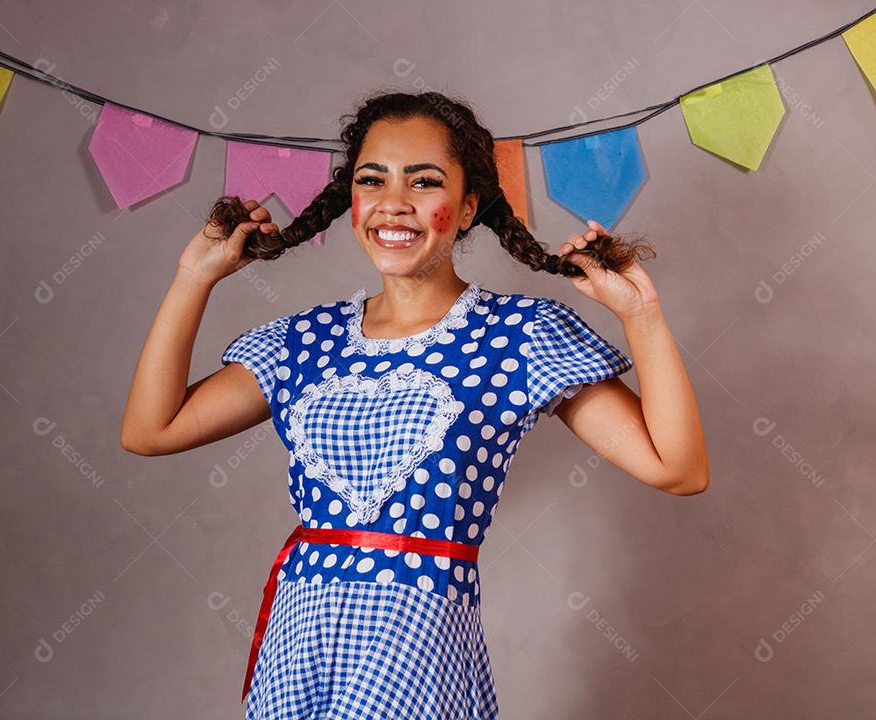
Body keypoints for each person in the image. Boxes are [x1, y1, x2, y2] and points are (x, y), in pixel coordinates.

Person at [120, 90, 709, 719]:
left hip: (421, 654)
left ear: (468, 207)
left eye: (424, 182)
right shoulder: (304, 342)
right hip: (300, 651)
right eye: (372, 180)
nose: (393, 204)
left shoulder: (521, 335)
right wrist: (194, 277)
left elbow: (678, 469)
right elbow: (151, 429)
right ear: (351, 201)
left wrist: (641, 316)